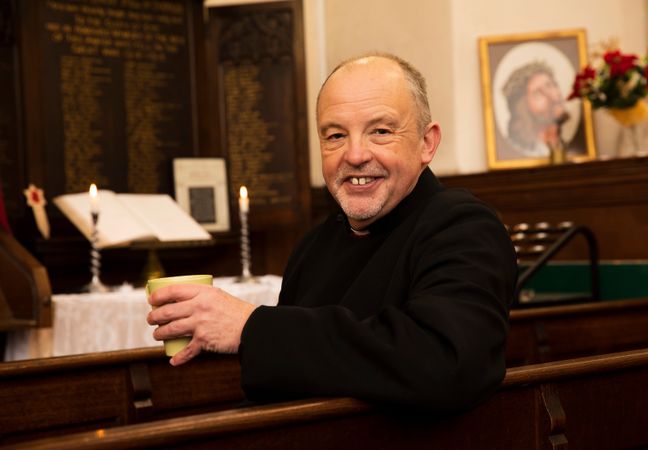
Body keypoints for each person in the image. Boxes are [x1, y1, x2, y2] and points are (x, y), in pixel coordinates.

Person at [147, 53, 517, 412]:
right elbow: (291, 377)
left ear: (427, 143)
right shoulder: (313, 247)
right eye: (335, 135)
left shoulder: (465, 227)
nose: (355, 155)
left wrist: (248, 326)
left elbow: (443, 362)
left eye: (381, 131)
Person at [502, 61, 569, 158]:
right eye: (538, 93)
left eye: (550, 85)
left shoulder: (566, 145)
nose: (552, 96)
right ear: (522, 109)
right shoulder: (518, 151)